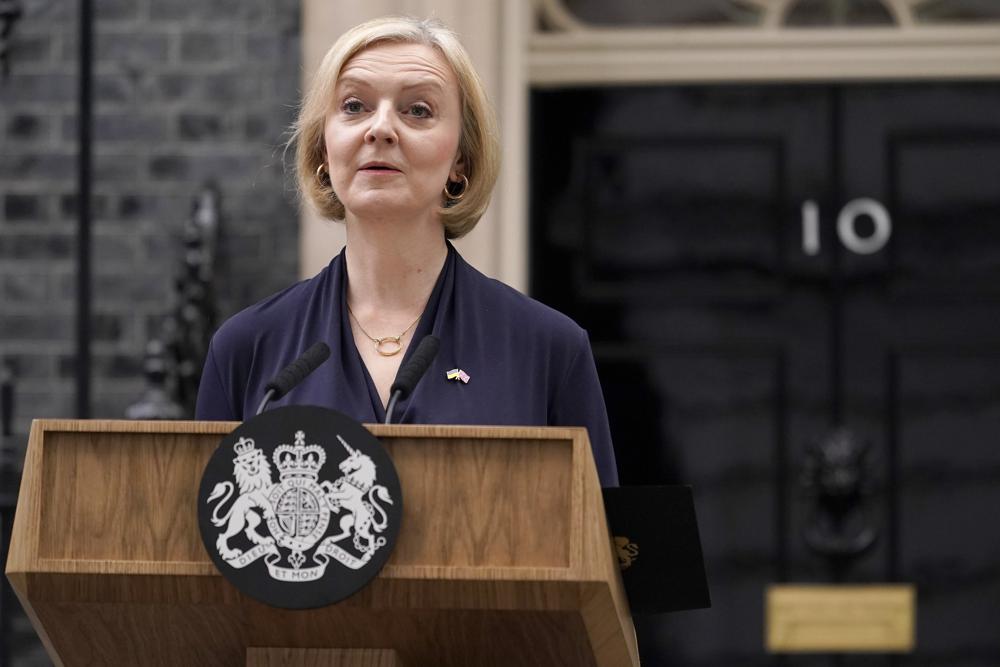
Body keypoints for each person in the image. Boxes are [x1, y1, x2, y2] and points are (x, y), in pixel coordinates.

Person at [195, 16, 619, 486]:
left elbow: (597, 549)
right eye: (354, 106)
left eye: (418, 110)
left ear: (461, 160)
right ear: (322, 151)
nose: (380, 129)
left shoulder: (549, 349)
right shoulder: (247, 348)